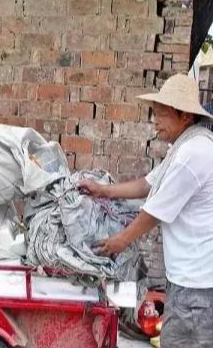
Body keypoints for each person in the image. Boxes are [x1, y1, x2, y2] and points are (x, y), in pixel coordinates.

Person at [78, 74, 213, 347]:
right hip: (189, 283)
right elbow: (147, 184)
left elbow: (156, 211)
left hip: (197, 289)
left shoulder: (194, 153)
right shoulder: (185, 146)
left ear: (184, 115)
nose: (155, 122)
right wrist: (103, 190)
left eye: (161, 115)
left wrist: (121, 240)